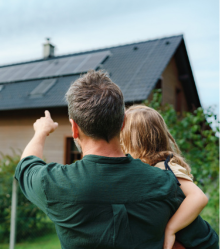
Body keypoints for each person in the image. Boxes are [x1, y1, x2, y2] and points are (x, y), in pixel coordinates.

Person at [14, 71, 218, 249]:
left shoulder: (53, 184)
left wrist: (41, 132)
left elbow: (27, 164)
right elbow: (208, 243)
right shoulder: (165, 183)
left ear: (74, 128)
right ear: (122, 124)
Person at [120, 105, 210, 249]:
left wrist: (171, 229)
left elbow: (199, 197)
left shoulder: (166, 167)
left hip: (197, 243)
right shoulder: (148, 168)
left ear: (132, 141)